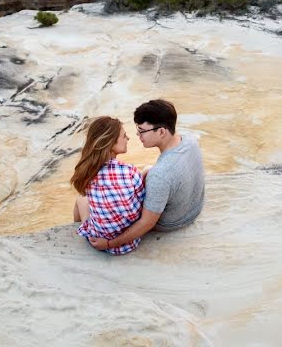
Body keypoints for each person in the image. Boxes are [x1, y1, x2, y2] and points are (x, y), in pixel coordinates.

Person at [88, 99, 205, 252]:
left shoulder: (160, 175)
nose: (137, 135)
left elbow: (147, 223)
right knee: (148, 170)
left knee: (86, 200)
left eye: (142, 130)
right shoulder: (190, 140)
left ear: (161, 132)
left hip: (171, 223)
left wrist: (110, 244)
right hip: (194, 208)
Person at [71, 116, 146, 254]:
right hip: (130, 242)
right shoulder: (129, 172)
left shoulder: (88, 173)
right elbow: (141, 204)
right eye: (124, 136)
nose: (128, 139)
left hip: (99, 241)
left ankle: (75, 232)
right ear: (111, 143)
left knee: (80, 199)